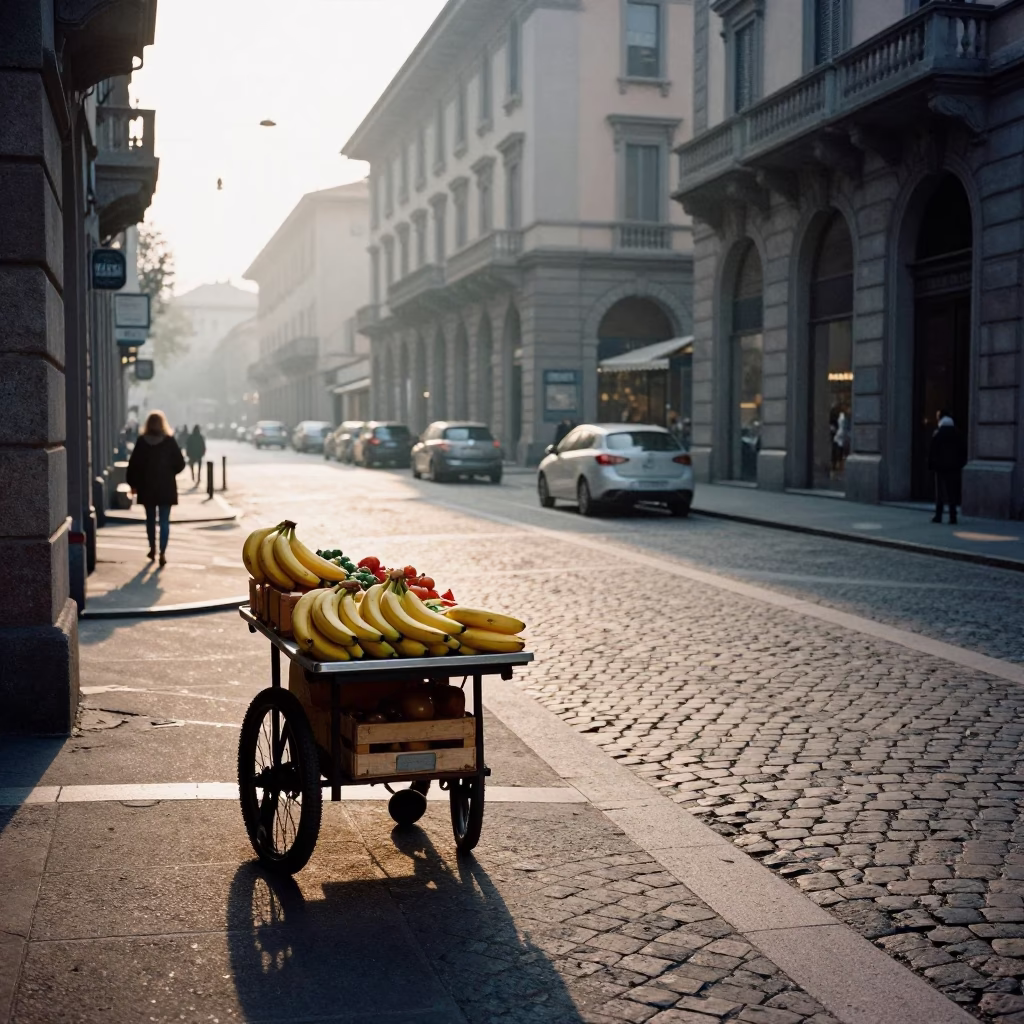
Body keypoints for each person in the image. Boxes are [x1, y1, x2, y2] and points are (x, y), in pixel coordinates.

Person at [125, 410, 185, 567]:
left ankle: (152, 548)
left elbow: (133, 466)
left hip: (147, 488)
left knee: (150, 520)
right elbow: (180, 463)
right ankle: (163, 553)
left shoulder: (141, 442)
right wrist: (170, 472)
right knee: (164, 521)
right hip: (166, 488)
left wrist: (133, 485)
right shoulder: (169, 441)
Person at [928, 410, 967, 525]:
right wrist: (960, 464)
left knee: (940, 492)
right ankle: (952, 516)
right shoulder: (957, 433)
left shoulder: (938, 433)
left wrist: (931, 465)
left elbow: (932, 451)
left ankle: (938, 515)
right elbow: (963, 451)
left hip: (940, 467)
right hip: (954, 467)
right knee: (952, 492)